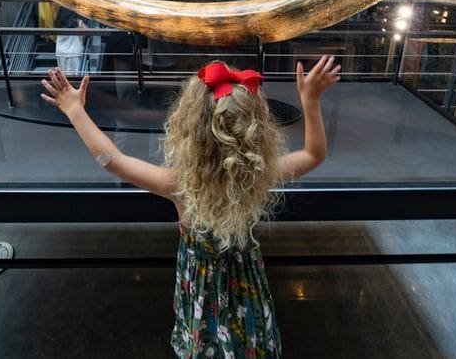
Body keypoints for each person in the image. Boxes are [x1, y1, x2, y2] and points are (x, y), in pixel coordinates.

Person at [40, 55, 340, 357]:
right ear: (257, 132)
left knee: (204, 342)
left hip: (200, 287)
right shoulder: (260, 174)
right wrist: (310, 100)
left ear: (191, 131)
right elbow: (314, 154)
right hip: (246, 284)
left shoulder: (181, 186)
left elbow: (113, 161)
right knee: (250, 342)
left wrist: (75, 109)